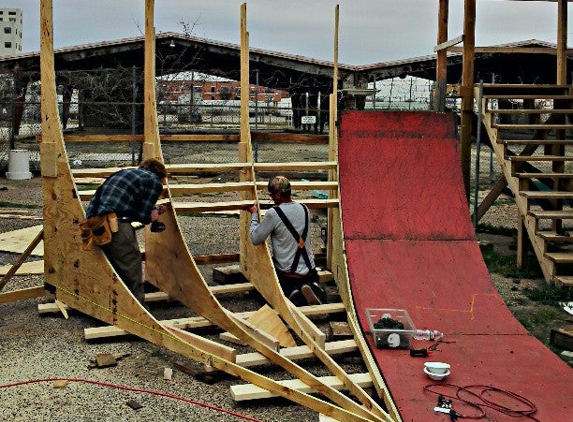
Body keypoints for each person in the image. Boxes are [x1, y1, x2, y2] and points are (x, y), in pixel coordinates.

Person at [85, 158, 168, 309]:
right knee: (130, 265)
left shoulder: (125, 173)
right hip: (115, 224)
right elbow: (143, 216)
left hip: (95, 222)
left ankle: (110, 305)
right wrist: (153, 215)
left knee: (110, 265)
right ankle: (137, 309)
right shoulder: (154, 181)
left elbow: (126, 204)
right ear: (160, 175)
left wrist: (151, 208)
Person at [247, 175, 326, 306]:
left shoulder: (274, 213)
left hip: (288, 275)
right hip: (310, 271)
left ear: (278, 194)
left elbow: (255, 239)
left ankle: (293, 295)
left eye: (272, 195)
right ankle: (313, 287)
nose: (271, 198)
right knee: (305, 275)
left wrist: (254, 215)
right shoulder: (304, 208)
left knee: (268, 270)